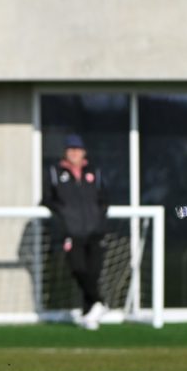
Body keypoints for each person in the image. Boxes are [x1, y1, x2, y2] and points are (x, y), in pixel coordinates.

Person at [42, 133, 109, 331]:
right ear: (65, 152)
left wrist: (99, 219)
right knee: (78, 269)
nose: (74, 153)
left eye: (77, 149)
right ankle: (100, 302)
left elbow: (105, 198)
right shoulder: (55, 173)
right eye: (70, 149)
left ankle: (89, 315)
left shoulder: (94, 172)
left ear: (83, 152)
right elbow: (47, 199)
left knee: (93, 272)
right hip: (71, 231)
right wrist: (63, 215)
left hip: (95, 231)